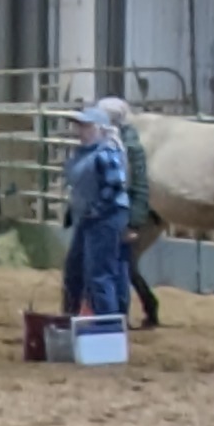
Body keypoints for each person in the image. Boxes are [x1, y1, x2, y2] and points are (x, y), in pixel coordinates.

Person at [63, 98, 138, 327]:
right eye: (79, 126)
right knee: (76, 271)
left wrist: (95, 210)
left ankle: (108, 326)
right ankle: (72, 319)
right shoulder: (85, 153)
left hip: (105, 217)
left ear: (99, 128)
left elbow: (113, 186)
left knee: (99, 274)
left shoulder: (106, 151)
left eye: (86, 126)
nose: (80, 131)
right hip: (90, 217)